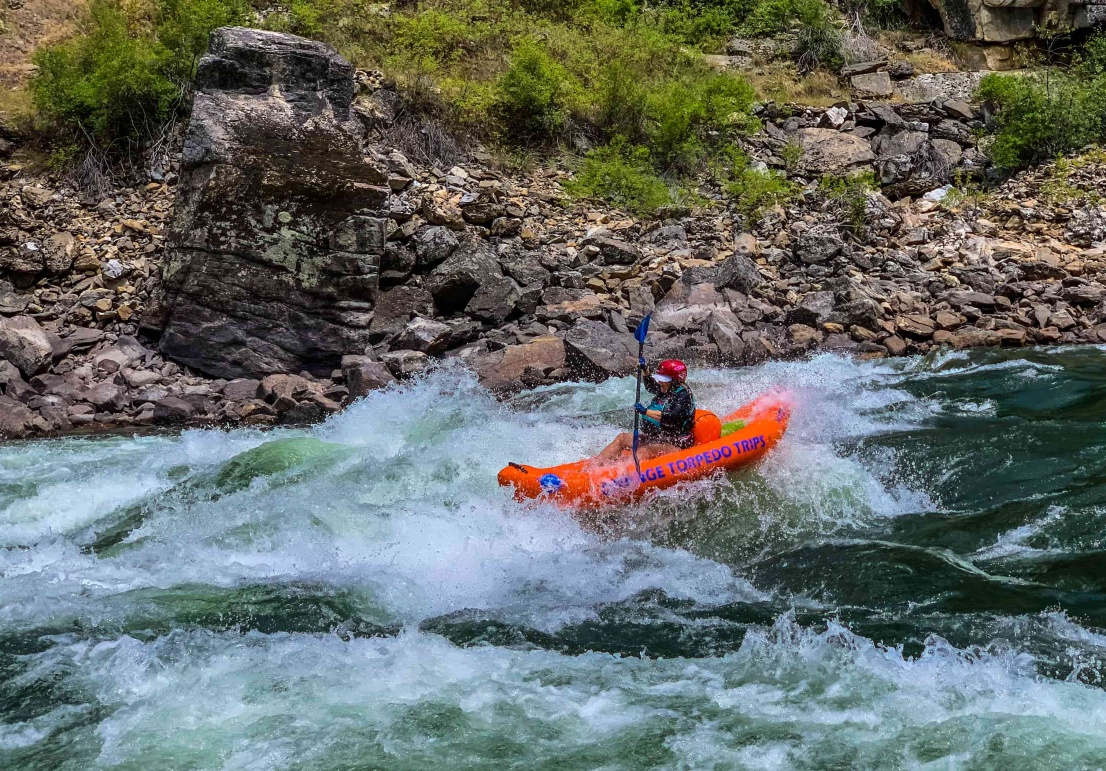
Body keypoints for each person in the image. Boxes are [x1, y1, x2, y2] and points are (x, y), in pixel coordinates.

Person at [597, 359, 696, 464]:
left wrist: (645, 411)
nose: (659, 382)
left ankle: (623, 476)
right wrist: (645, 371)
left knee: (643, 451)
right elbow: (651, 387)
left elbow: (672, 416)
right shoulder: (667, 388)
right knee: (622, 438)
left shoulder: (683, 396)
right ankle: (596, 467)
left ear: (675, 380)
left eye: (664, 379)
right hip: (656, 437)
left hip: (675, 443)